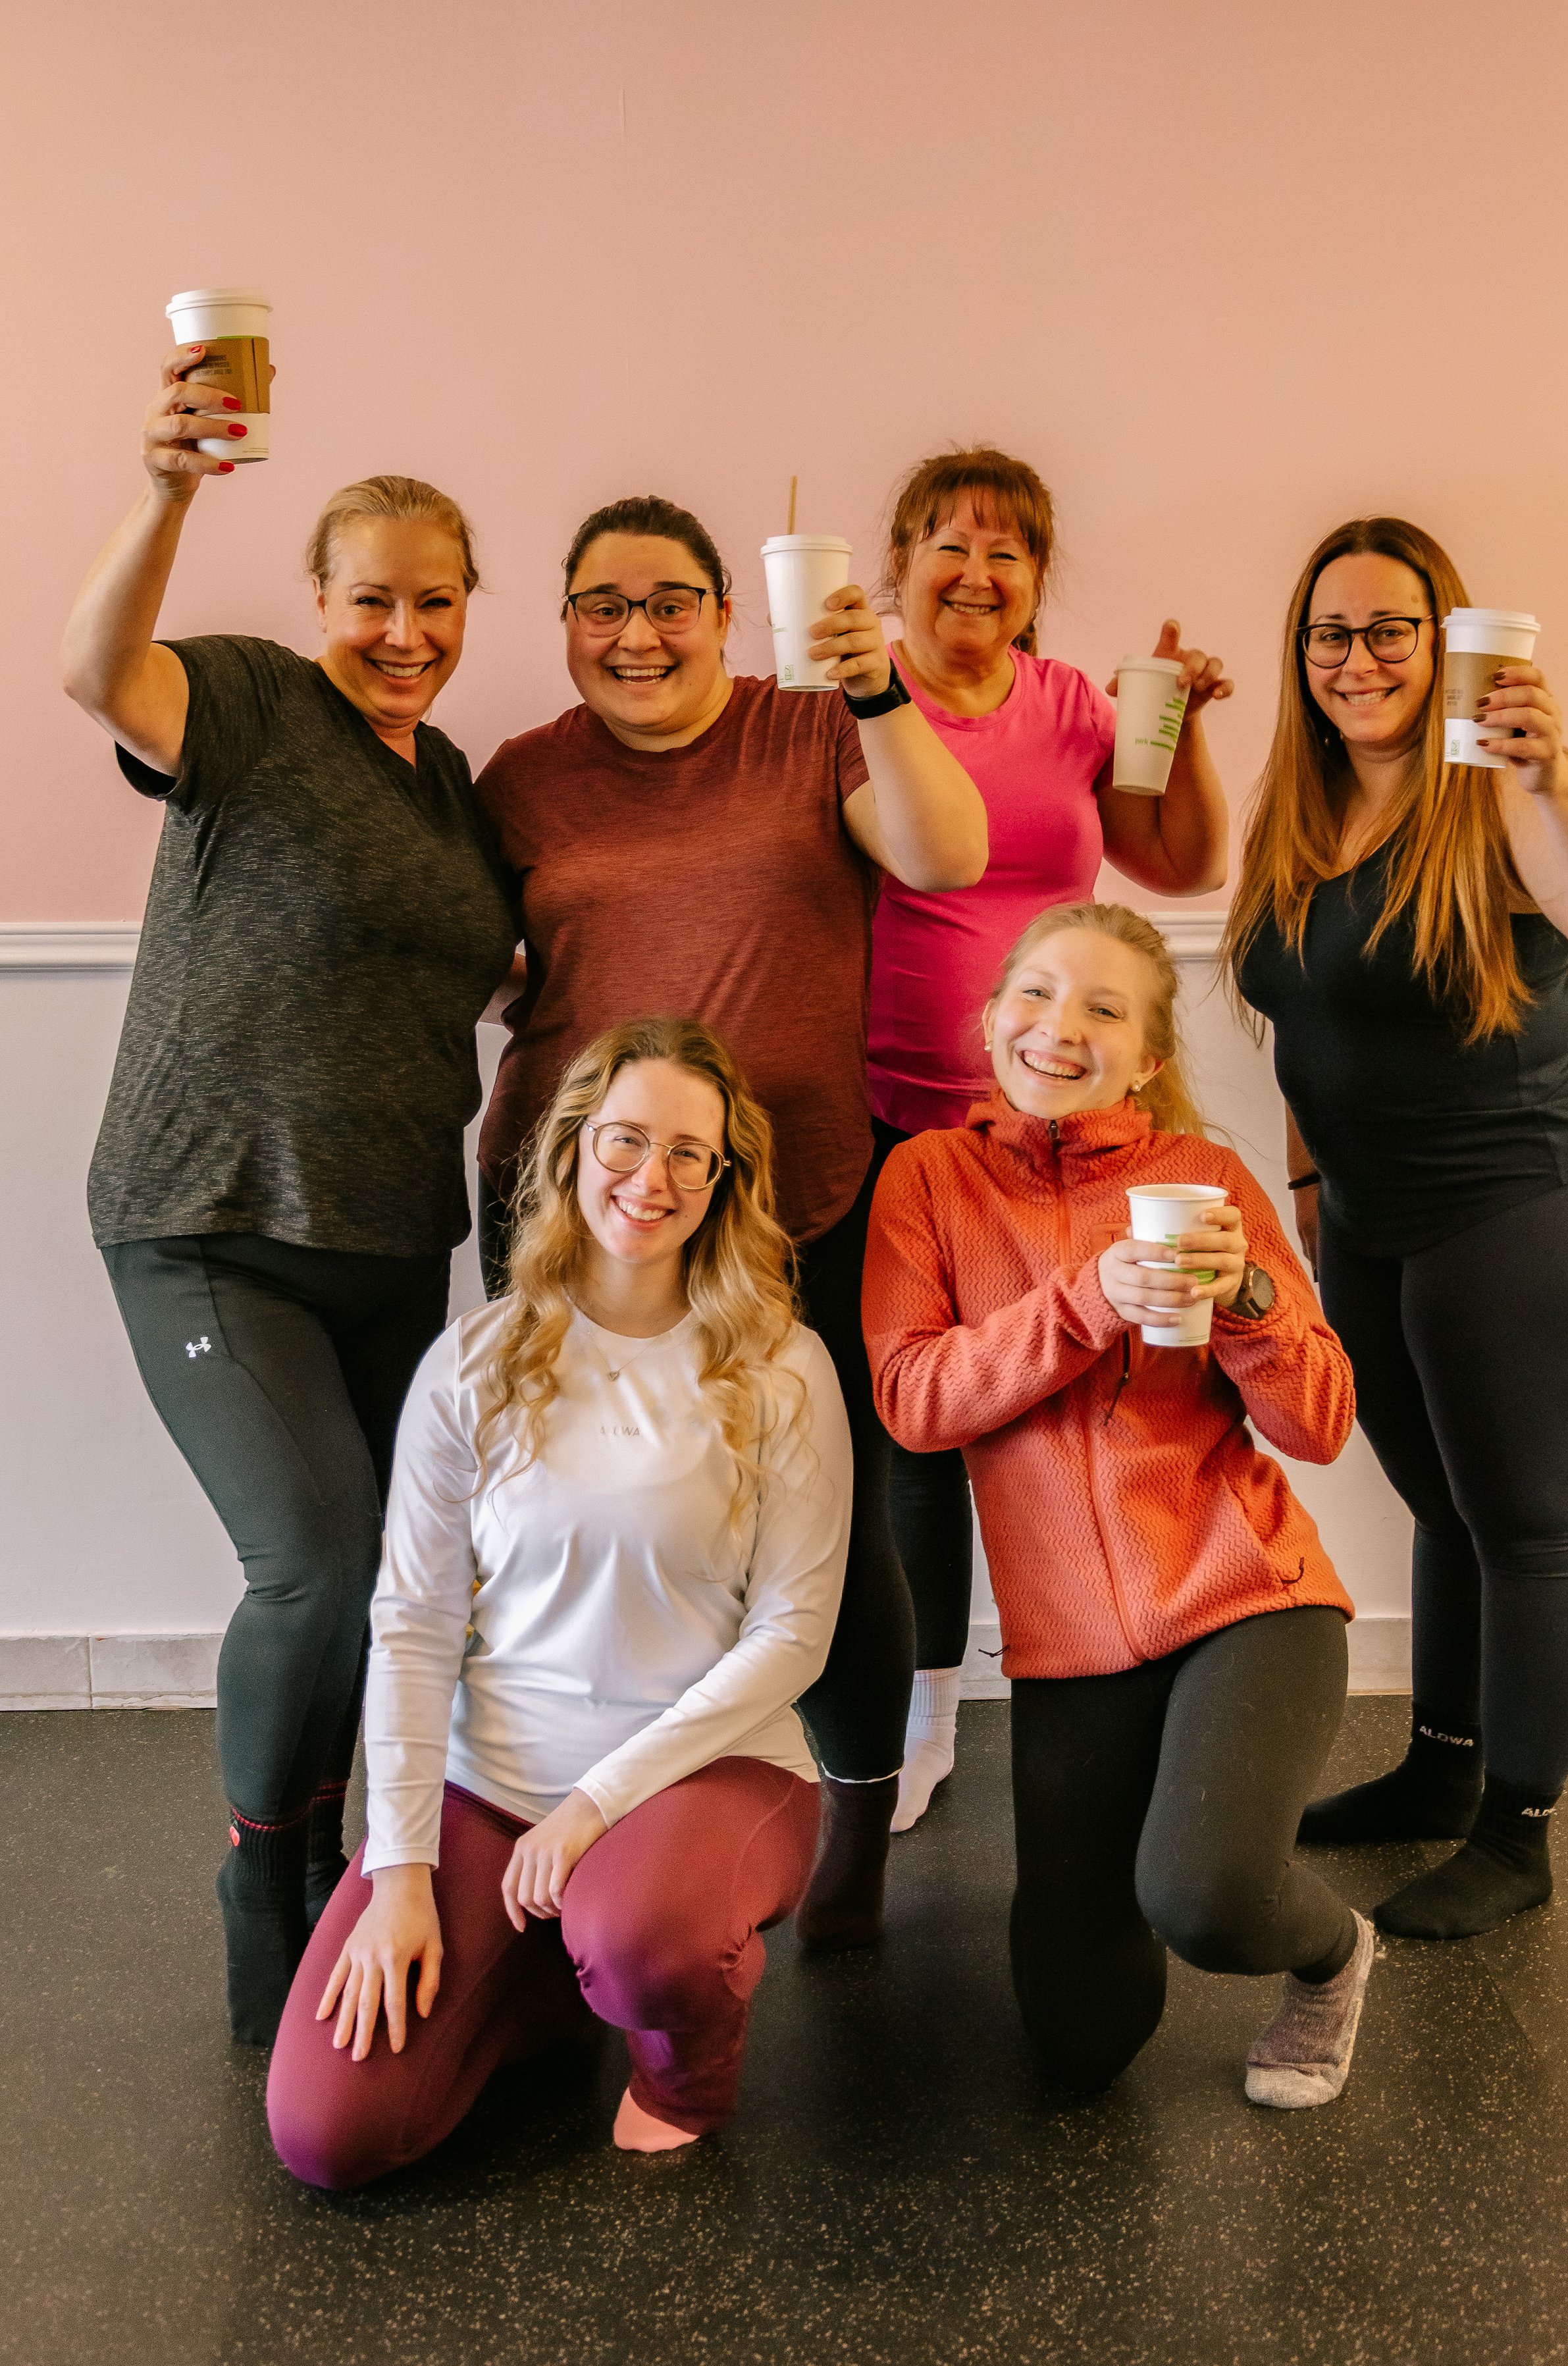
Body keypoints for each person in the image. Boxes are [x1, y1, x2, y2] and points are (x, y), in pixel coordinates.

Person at [59, 348, 519, 2042]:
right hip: (209, 1223)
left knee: (411, 1573)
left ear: (469, 606)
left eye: (435, 605)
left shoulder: (451, 780)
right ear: (319, 597)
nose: (404, 635)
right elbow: (92, 666)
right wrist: (171, 484)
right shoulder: (251, 701)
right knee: (316, 1563)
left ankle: (361, 1856)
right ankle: (268, 1864)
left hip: (395, 1237)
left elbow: (481, 968)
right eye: (372, 602)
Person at [473, 494, 987, 1950]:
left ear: (723, 609)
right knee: (574, 1525)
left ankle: (854, 1835)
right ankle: (577, 1818)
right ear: (566, 623)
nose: (636, 636)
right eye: (601, 607)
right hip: (575, 1218)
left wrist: (876, 683)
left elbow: (943, 855)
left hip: (793, 1201)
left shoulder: (810, 725)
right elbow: (472, 956)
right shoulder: (519, 780)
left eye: (669, 602)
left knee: (834, 1533)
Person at [265, 1018, 851, 2184]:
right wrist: (397, 1872)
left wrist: (593, 1806)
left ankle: (677, 2062)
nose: (655, 1178)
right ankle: (554, 1974)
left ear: (725, 1181)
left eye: (694, 1153)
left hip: (707, 1770)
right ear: (574, 1149)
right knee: (329, 2134)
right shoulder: (474, 1361)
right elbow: (416, 1625)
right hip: (494, 1782)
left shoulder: (784, 1365)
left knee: (645, 1941)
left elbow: (796, 1634)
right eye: (626, 1140)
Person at [864, 901, 1374, 2106]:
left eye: (1104, 1008)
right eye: (1035, 995)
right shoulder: (927, 1177)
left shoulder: (1205, 1178)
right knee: (1081, 2037)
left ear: (1147, 1058)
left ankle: (1336, 1952)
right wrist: (1088, 1299)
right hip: (1069, 1651)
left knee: (1207, 1896)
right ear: (990, 1020)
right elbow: (913, 1399)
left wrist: (1247, 1296)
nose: (1059, 1026)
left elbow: (1323, 1423)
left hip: (1248, 1597)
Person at [1228, 515, 1568, 1940]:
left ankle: (1515, 1831)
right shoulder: (1295, 804)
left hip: (1525, 1195)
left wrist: (1545, 766)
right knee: (1439, 1508)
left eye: (1387, 630)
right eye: (1329, 633)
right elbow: (1294, 1017)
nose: (1357, 659)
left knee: (1522, 1523)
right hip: (1367, 1208)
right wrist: (1300, 1192)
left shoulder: (1498, 786)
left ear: (1442, 638)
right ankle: (1436, 1767)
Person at [868, 445, 1233, 1830]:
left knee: (1077, 1407)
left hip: (1054, 1124)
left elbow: (1179, 862)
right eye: (947, 545)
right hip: (896, 1116)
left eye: (1006, 552)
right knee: (915, 1432)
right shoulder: (849, 702)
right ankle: (919, 1715)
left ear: (1034, 582)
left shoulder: (1076, 705)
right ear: (896, 562)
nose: (976, 573)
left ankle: (1112, 1669)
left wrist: (1180, 720)